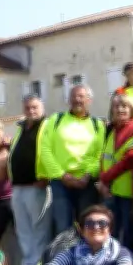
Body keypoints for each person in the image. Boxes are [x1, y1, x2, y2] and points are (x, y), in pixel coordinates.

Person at [41, 84, 105, 235]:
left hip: (86, 183)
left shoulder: (98, 125)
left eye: (81, 96)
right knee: (63, 227)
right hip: (60, 182)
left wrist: (87, 175)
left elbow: (100, 155)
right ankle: (65, 257)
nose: (77, 100)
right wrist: (62, 175)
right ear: (68, 100)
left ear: (89, 100)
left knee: (89, 225)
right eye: (73, 96)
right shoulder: (56, 120)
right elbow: (45, 149)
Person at [8, 94, 52, 265]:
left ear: (42, 108)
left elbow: (52, 153)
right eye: (27, 108)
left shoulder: (47, 126)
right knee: (23, 230)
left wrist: (47, 176)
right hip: (18, 187)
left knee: (39, 229)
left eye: (35, 107)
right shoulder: (20, 128)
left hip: (37, 185)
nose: (31, 111)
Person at [96, 94, 133, 246]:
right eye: (116, 106)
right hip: (112, 191)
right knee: (111, 232)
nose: (120, 109)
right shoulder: (113, 131)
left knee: (129, 234)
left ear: (132, 110)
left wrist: (104, 179)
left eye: (125, 106)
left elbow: (128, 160)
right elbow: (105, 157)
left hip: (128, 191)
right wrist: (103, 182)